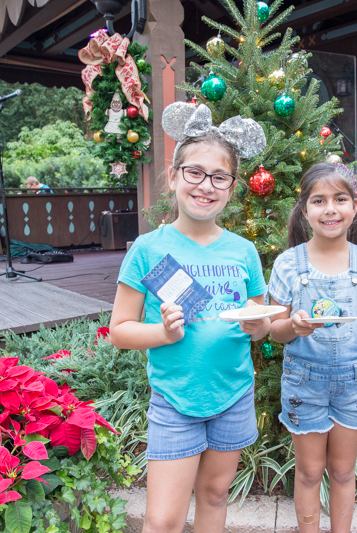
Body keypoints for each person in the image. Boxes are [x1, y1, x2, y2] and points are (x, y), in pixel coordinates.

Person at [110, 103, 268, 533]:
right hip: (175, 401)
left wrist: (261, 326)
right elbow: (119, 332)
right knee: (162, 520)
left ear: (232, 187)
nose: (206, 186)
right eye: (195, 173)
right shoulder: (147, 250)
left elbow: (261, 320)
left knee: (216, 497)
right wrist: (162, 332)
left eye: (219, 177)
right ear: (175, 175)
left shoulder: (243, 252)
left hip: (233, 395)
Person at [268, 162, 357, 533]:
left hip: (356, 384)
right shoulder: (288, 265)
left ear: (354, 207)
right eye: (319, 200)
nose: (330, 209)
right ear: (305, 210)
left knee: (343, 471)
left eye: (340, 199)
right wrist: (292, 327)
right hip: (303, 382)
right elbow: (274, 330)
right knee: (309, 472)